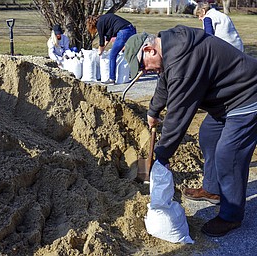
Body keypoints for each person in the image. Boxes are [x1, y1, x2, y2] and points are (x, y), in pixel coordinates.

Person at [124, 25, 257, 237]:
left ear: (149, 50)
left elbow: (179, 115)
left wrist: (162, 155)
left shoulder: (184, 63)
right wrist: (153, 110)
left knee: (228, 154)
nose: (144, 71)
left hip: (248, 96)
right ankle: (213, 190)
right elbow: (165, 83)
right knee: (208, 136)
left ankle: (231, 216)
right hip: (225, 101)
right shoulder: (170, 48)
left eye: (142, 65)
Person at [86, 13, 136, 85]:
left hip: (123, 32)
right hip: (131, 29)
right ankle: (134, 71)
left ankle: (111, 79)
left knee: (112, 55)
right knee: (129, 52)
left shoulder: (99, 24)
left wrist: (100, 51)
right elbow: (108, 37)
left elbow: (101, 40)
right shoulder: (106, 19)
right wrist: (103, 49)